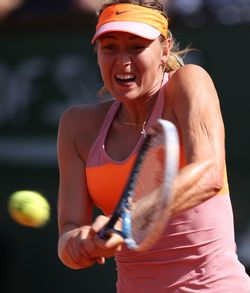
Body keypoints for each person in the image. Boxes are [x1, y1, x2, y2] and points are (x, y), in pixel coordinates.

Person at [57, 0, 250, 291]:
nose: (123, 61)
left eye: (136, 47)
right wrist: (79, 245)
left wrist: (125, 221)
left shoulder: (189, 83)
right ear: (97, 53)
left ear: (165, 48)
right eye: (110, 47)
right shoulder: (76, 126)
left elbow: (208, 174)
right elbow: (68, 232)